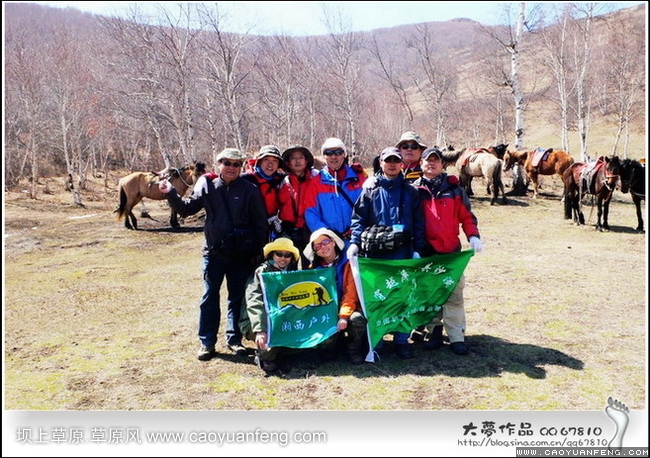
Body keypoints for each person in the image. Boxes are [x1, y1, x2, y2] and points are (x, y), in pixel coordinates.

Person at [159, 148, 268, 361]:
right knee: (209, 297)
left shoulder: (249, 189)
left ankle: (234, 340)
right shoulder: (207, 185)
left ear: (242, 167)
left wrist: (259, 252)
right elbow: (186, 209)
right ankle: (207, 343)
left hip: (241, 255)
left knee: (236, 298)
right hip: (214, 254)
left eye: (237, 164)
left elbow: (260, 224)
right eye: (227, 163)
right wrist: (170, 192)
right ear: (218, 164)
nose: (232, 168)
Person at [346, 147, 425, 359]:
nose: (392, 164)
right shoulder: (370, 190)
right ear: (381, 163)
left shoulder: (411, 192)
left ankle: (402, 340)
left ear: (402, 164)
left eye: (396, 161)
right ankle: (378, 340)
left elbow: (418, 223)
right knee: (377, 298)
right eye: (388, 160)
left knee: (402, 298)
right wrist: (354, 243)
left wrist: (417, 249)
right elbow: (358, 219)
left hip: (402, 253)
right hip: (375, 256)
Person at [413, 147, 483, 355]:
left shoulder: (454, 189)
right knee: (430, 294)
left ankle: (456, 337)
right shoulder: (414, 190)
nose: (431, 164)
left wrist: (473, 235)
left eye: (436, 160)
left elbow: (466, 216)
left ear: (442, 164)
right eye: (428, 161)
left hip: (451, 253)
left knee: (454, 295)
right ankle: (434, 331)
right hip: (427, 252)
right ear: (421, 164)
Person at [303, 228, 368, 364]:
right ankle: (329, 349)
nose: (323, 247)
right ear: (315, 252)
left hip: (350, 306)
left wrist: (343, 316)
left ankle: (353, 349)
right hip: (327, 308)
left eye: (325, 241)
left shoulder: (349, 263)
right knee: (323, 322)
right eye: (318, 246)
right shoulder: (313, 270)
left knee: (356, 319)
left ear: (333, 242)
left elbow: (351, 293)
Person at [239, 237, 301, 374]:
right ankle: (264, 355)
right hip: (258, 321)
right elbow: (254, 300)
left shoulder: (291, 273)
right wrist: (260, 329)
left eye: (287, 255)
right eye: (279, 254)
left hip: (281, 319)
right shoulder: (261, 273)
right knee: (269, 350)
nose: (283, 258)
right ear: (272, 254)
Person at [303, 137, 368, 242]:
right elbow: (311, 213)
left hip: (358, 239)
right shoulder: (315, 183)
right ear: (324, 156)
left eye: (338, 152)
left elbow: (370, 208)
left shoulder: (360, 178)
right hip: (330, 244)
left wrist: (359, 231)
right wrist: (326, 235)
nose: (333, 156)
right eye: (328, 153)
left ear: (344, 154)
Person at [278, 145, 319, 269]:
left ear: (306, 161)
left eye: (301, 157)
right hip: (289, 231)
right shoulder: (282, 182)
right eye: (293, 158)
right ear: (288, 163)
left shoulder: (316, 178)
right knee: (289, 269)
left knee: (311, 268)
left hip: (311, 230)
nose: (297, 161)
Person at [242, 145, 286, 241]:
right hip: (248, 230)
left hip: (271, 229)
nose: (270, 165)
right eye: (266, 160)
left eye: (275, 161)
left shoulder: (280, 179)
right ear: (259, 162)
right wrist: (207, 177)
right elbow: (223, 178)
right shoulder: (246, 179)